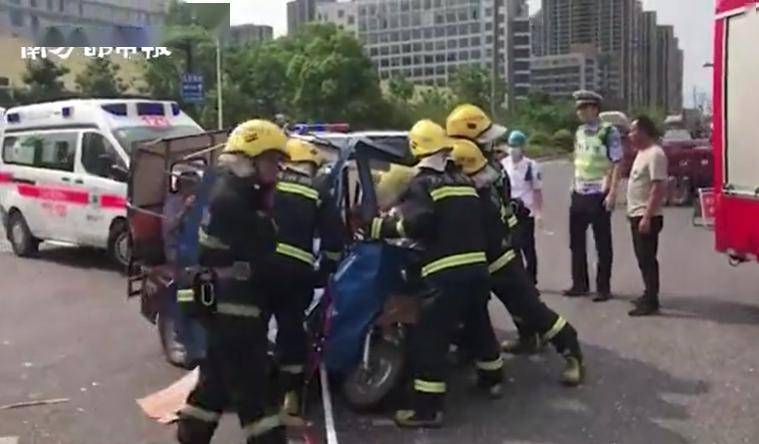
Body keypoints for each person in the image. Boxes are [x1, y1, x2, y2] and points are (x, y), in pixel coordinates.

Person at [365, 120, 503, 428]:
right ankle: (492, 377)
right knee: (478, 325)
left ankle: (427, 410)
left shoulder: (422, 184)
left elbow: (420, 223)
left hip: (445, 274)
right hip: (477, 270)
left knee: (428, 338)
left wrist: (382, 227)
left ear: (416, 149)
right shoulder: (463, 181)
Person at [176, 119, 288, 444]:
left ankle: (190, 436)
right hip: (236, 310)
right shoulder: (236, 202)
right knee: (256, 394)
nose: (276, 170)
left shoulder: (231, 192)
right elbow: (262, 256)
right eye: (271, 162)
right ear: (249, 161)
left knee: (214, 387)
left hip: (225, 309)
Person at [452, 138, 585, 386]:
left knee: (530, 309)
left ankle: (572, 352)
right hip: (485, 261)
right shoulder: (484, 177)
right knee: (476, 314)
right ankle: (489, 359)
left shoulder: (477, 188)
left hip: (498, 260)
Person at [262, 138, 344, 421]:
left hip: (261, 269)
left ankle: (253, 390)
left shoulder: (268, 183)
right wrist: (325, 271)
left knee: (253, 327)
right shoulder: (319, 190)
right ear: (309, 165)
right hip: (296, 275)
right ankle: (291, 397)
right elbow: (334, 241)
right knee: (292, 332)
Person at [564, 90, 623, 302]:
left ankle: (603, 287)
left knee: (602, 243)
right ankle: (579, 283)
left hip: (599, 193)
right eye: (578, 108)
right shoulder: (579, 132)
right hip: (579, 192)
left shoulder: (609, 132)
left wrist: (613, 192)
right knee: (576, 242)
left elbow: (617, 162)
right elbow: (578, 158)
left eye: (583, 108)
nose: (579, 112)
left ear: (594, 109)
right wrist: (573, 183)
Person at [161, 170, 206, 369]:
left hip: (194, 250)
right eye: (192, 185)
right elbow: (169, 228)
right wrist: (184, 211)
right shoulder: (173, 204)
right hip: (176, 251)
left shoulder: (200, 202)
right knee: (186, 298)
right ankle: (187, 343)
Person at [626, 116, 668, 316]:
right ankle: (647, 293)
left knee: (647, 258)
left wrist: (647, 217)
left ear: (643, 132)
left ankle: (652, 301)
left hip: (646, 215)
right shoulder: (641, 153)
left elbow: (658, 187)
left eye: (633, 131)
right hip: (636, 213)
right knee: (642, 258)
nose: (630, 135)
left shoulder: (655, 154)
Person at [500, 130, 543, 285]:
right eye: (511, 145)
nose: (513, 149)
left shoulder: (531, 166)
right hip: (510, 211)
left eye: (516, 145)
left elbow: (537, 190)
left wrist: (538, 212)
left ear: (523, 147)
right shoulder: (503, 164)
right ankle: (519, 278)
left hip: (527, 211)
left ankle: (532, 279)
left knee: (528, 247)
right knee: (512, 246)